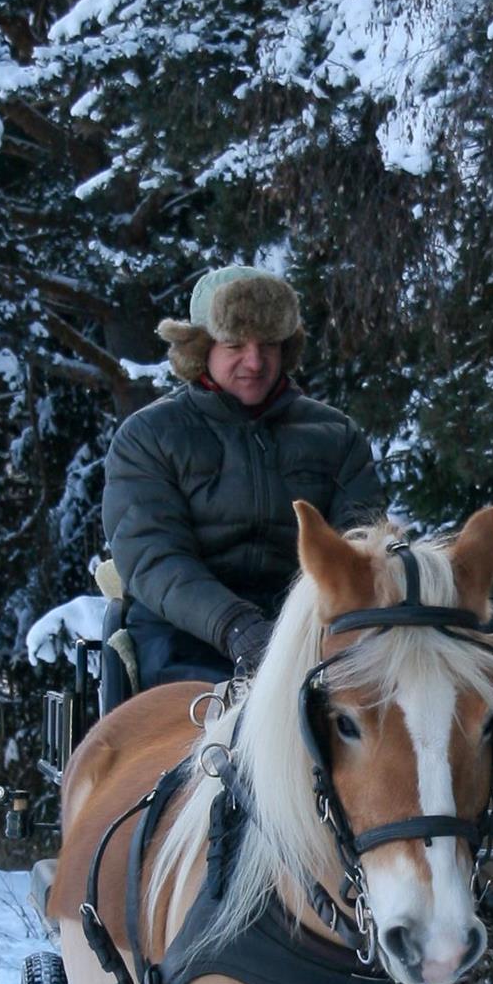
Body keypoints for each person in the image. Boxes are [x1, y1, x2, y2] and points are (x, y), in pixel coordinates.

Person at [102, 266, 384, 687]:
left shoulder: (336, 436)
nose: (255, 361)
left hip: (312, 633)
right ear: (200, 351)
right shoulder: (148, 437)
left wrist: (303, 627)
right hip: (183, 636)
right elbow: (153, 557)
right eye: (234, 344)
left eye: (268, 344)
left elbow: (358, 545)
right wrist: (233, 624)